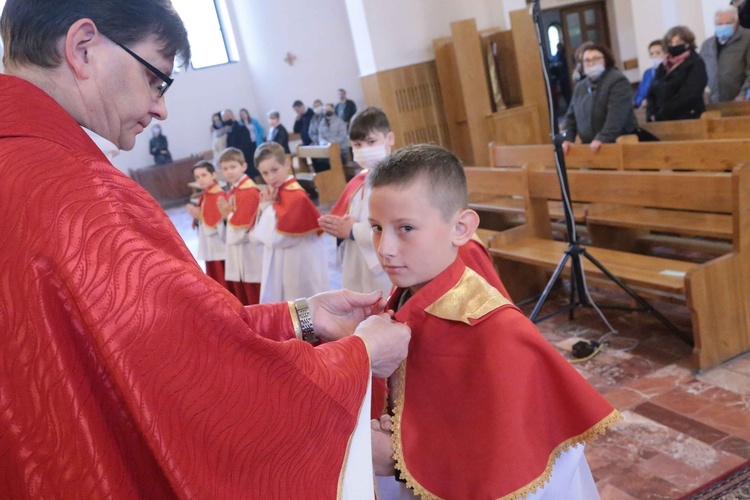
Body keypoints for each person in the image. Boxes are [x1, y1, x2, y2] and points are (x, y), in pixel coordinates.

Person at [0, 1, 411, 497]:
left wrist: (300, 317)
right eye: (157, 79)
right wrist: (359, 356)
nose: (161, 108)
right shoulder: (84, 197)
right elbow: (208, 385)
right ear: (83, 48)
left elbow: (162, 342)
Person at [367, 144, 620, 499]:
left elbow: (507, 460)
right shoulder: (402, 303)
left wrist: (397, 458)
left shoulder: (499, 332)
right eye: (376, 228)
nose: (385, 248)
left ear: (461, 227)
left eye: (405, 228)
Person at [318, 107, 396, 297]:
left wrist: (353, 231)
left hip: (385, 268)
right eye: (357, 145)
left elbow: (397, 228)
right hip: (358, 263)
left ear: (390, 139)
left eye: (371, 142)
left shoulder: (397, 181)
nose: (364, 150)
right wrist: (339, 225)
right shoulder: (360, 181)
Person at [253, 142, 330, 303]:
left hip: (300, 261)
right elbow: (261, 235)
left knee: (304, 304)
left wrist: (266, 206)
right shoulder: (277, 191)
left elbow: (277, 239)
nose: (271, 177)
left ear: (286, 163)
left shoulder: (296, 196)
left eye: (274, 170)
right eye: (265, 173)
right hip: (287, 259)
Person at [561, 43, 638, 154]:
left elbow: (617, 115)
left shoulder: (617, 81)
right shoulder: (580, 87)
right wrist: (567, 139)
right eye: (587, 60)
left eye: (596, 59)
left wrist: (603, 138)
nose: (591, 63)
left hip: (616, 143)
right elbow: (570, 117)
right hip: (589, 145)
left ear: (605, 60)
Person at [216, 147, 263, 305]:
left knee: (255, 296)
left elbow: (241, 230)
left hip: (250, 251)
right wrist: (225, 218)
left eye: (233, 167)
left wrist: (227, 216)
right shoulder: (234, 190)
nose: (229, 172)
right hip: (238, 252)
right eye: (225, 168)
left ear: (243, 166)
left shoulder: (249, 191)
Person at [647, 26, 707, 121]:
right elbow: (652, 92)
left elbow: (691, 93)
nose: (674, 45)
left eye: (678, 42)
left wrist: (663, 112)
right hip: (661, 119)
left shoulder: (695, 62)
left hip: (687, 117)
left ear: (688, 44)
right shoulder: (663, 66)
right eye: (670, 43)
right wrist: (651, 114)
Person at [186, 160, 229, 289]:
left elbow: (220, 224)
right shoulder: (205, 195)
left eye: (204, 175)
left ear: (213, 175)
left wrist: (200, 217)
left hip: (219, 246)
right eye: (197, 177)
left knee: (222, 279)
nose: (200, 180)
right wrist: (199, 218)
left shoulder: (218, 195)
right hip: (210, 247)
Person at [700, 5, 750, 103]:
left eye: (728, 23)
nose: (723, 26)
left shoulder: (747, 38)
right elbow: (701, 72)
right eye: (720, 24)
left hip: (742, 101)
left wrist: (743, 94)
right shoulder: (708, 45)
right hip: (714, 101)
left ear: (737, 22)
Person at [222, 108, 261, 180]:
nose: (226, 119)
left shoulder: (241, 128)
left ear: (232, 116)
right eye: (224, 118)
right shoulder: (229, 130)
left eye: (227, 116)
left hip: (244, 161)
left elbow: (245, 146)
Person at [634, 39, 665, 108]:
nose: (654, 56)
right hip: (646, 109)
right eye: (651, 54)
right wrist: (642, 101)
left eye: (658, 53)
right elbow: (639, 95)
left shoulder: (670, 71)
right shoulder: (647, 73)